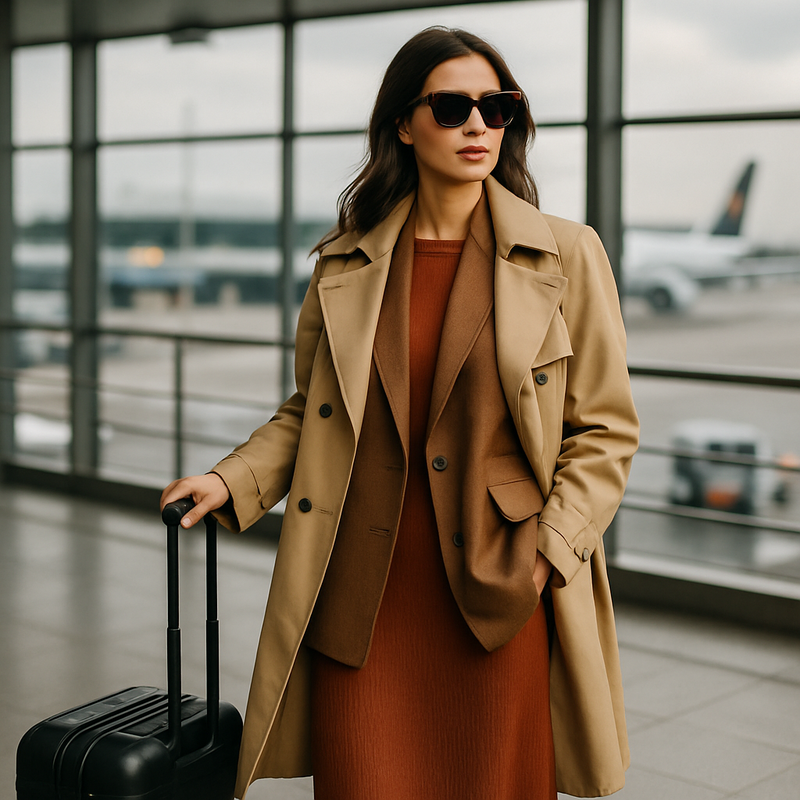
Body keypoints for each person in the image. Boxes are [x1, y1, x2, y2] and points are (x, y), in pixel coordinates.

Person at [161, 26, 639, 800]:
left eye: (497, 106)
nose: (478, 125)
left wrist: (549, 553)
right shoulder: (347, 261)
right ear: (403, 124)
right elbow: (313, 410)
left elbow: (606, 427)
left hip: (502, 589)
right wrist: (233, 479)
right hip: (363, 592)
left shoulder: (566, 253)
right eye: (452, 106)